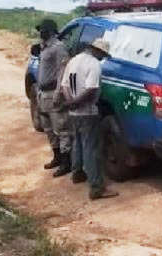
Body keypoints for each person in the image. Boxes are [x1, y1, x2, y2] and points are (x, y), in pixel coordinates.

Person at [61, 38, 119, 200]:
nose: (102, 58)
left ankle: (77, 173)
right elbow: (91, 90)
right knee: (91, 149)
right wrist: (76, 103)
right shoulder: (94, 64)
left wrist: (70, 102)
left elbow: (64, 85)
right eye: (102, 55)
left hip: (74, 112)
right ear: (97, 51)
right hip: (87, 111)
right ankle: (96, 188)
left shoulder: (73, 61)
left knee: (77, 143)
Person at [34, 19, 73, 177]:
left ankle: (66, 163)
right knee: (48, 128)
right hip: (43, 93)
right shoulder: (44, 47)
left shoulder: (58, 48)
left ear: (50, 31)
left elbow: (63, 71)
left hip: (53, 93)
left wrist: (59, 92)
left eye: (43, 30)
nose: (40, 33)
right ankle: (57, 157)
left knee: (61, 129)